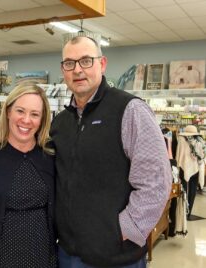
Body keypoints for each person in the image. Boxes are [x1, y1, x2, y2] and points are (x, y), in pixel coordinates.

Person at [50, 36, 172, 268]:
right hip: (68, 253)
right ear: (63, 69)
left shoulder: (130, 110)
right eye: (69, 63)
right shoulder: (60, 123)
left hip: (117, 257)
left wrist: (125, 229)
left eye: (86, 61)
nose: (77, 70)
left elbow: (156, 182)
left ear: (102, 64)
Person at [0, 84, 57, 268]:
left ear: (42, 119)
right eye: (20, 111)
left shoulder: (50, 155)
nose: (26, 120)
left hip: (42, 256)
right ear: (8, 112)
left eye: (35, 114)